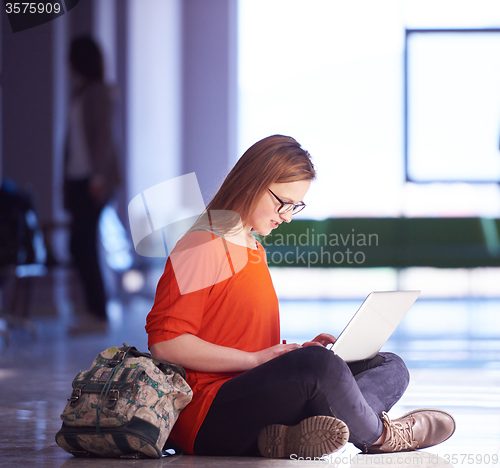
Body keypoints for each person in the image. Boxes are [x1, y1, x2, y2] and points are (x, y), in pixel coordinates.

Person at [146, 135, 455, 458]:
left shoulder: (252, 248)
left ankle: (288, 437)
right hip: (209, 416)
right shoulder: (202, 246)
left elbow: (242, 338)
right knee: (319, 367)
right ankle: (381, 436)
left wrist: (290, 354)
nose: (288, 216)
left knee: (389, 366)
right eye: (283, 203)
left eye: (295, 206)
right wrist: (257, 361)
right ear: (253, 183)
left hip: (253, 399)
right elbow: (167, 345)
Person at [63, 36, 120, 334]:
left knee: (84, 244)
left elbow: (102, 137)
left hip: (92, 180)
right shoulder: (79, 92)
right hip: (76, 177)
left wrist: (98, 177)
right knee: (79, 244)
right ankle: (93, 310)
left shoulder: (99, 93)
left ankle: (97, 313)